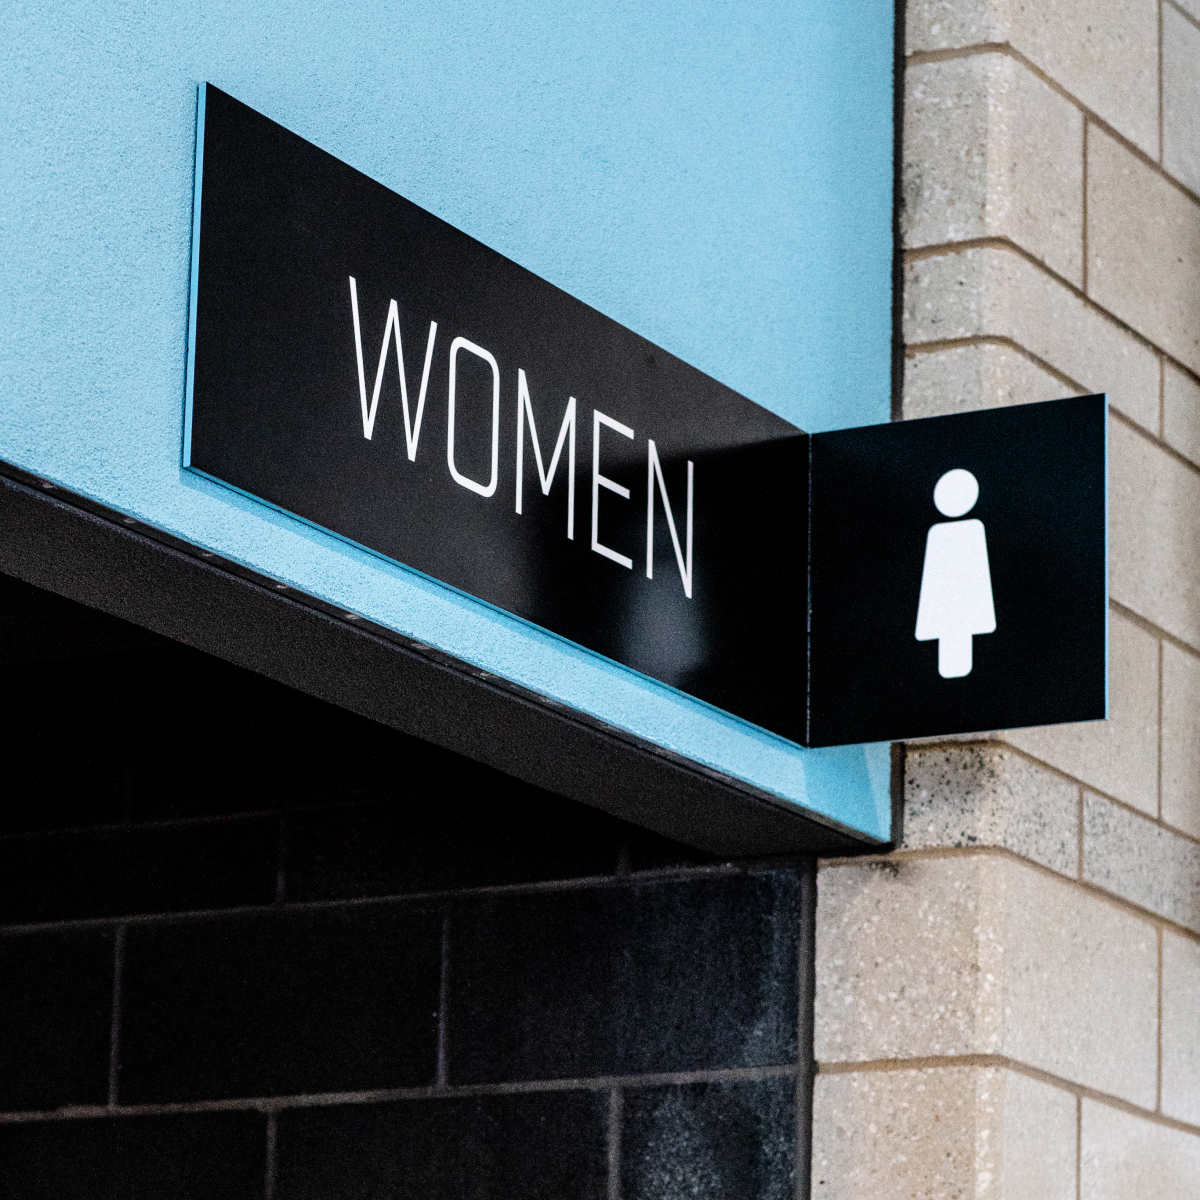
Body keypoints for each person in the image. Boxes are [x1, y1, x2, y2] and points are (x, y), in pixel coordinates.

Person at [915, 468, 996, 678]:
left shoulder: (969, 531)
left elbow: (978, 581)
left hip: (960, 614)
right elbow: (932, 583)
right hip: (948, 614)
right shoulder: (942, 534)